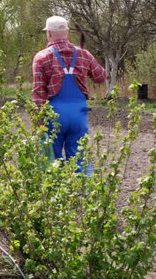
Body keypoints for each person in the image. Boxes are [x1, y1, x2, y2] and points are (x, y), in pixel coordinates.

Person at [32, 16, 106, 172]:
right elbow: (101, 77)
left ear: (49, 34)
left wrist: (38, 121)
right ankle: (84, 193)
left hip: (54, 114)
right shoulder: (83, 54)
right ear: (67, 32)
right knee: (79, 158)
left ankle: (56, 193)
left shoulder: (42, 57)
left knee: (51, 160)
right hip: (79, 113)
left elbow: (38, 94)